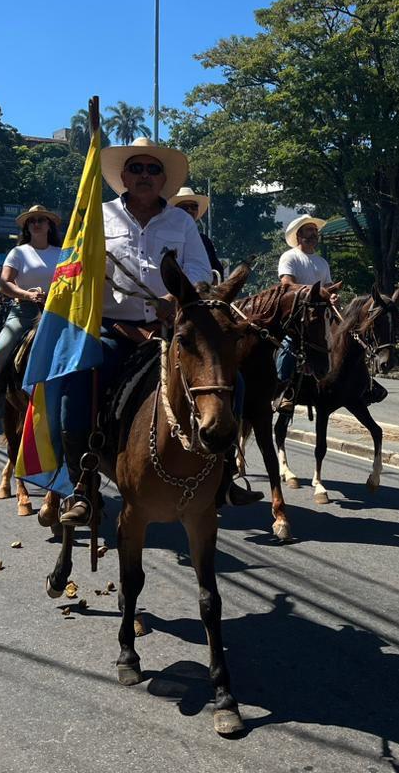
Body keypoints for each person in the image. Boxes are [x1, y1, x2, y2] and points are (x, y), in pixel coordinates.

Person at [56, 135, 259, 527]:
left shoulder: (181, 221)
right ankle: (81, 486)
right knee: (75, 388)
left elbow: (201, 271)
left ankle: (226, 474)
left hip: (170, 330)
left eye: (153, 169)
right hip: (114, 329)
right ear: (123, 176)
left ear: (163, 179)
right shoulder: (97, 217)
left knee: (236, 384)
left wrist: (175, 296)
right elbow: (78, 267)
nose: (145, 175)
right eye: (137, 167)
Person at [0, 206, 63, 427]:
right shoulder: (18, 252)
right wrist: (27, 294)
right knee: (1, 350)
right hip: (24, 312)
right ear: (27, 227)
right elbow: (4, 284)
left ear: (50, 225)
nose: (37, 223)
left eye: (41, 220)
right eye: (32, 221)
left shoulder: (63, 253)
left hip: (57, 312)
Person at [274, 214, 335, 412]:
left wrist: (332, 296)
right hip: (296, 314)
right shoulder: (290, 257)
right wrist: (313, 293)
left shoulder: (322, 262)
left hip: (318, 316)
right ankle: (282, 392)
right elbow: (287, 284)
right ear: (299, 235)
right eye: (309, 231)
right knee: (289, 345)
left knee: (343, 339)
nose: (313, 234)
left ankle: (357, 384)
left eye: (315, 231)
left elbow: (328, 287)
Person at [173, 186, 222, 282]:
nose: (190, 210)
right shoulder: (165, 238)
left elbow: (216, 272)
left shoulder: (204, 240)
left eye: (194, 206)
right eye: (184, 207)